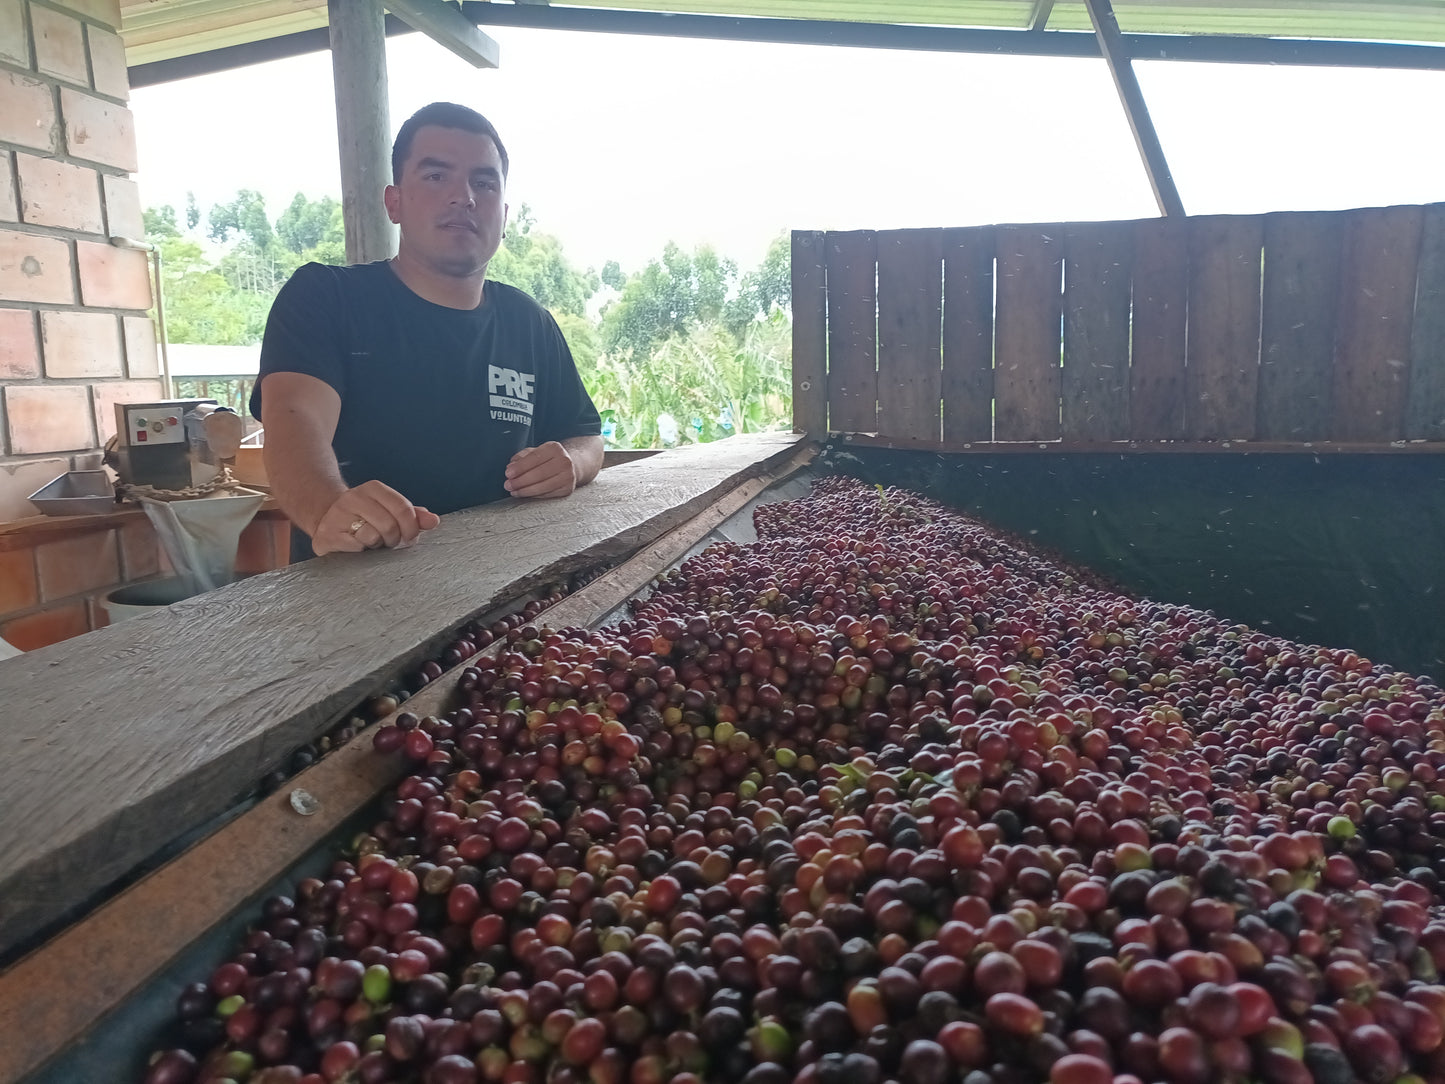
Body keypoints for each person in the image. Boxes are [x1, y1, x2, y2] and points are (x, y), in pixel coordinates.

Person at [251, 102, 604, 560]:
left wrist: (570, 464)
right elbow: (293, 425)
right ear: (394, 203)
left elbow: (587, 436)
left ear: (504, 213)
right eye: (437, 176)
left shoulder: (529, 321)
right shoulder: (326, 298)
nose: (464, 197)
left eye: (483, 182)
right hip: (358, 592)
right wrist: (328, 511)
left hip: (508, 592)